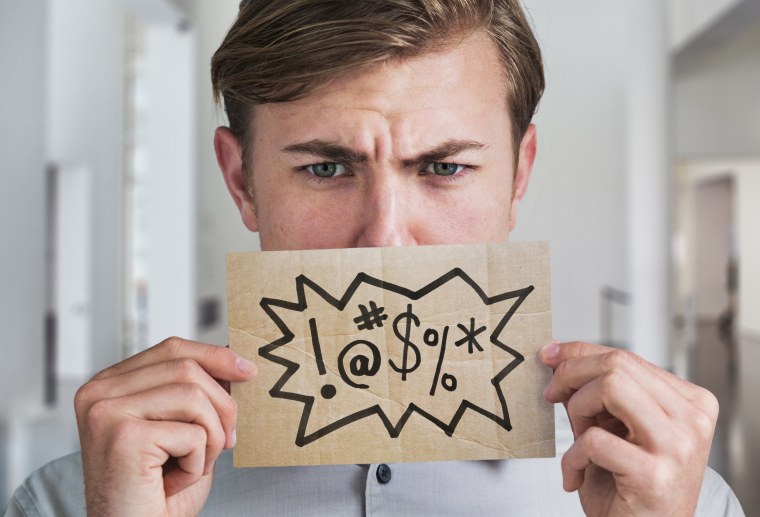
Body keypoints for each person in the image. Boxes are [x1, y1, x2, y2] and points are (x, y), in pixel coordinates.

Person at [4, 0, 744, 515]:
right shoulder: (80, 502)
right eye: (326, 168)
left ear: (519, 175)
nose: (385, 238)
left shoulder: (668, 497)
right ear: (242, 180)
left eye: (444, 167)